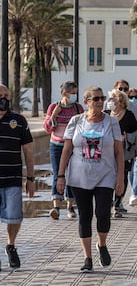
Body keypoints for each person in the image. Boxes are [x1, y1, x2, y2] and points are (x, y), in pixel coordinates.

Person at [57, 86, 124, 272]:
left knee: (103, 213)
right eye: (96, 99)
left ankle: (102, 244)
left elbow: (119, 152)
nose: (100, 101)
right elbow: (67, 150)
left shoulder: (111, 122)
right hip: (79, 177)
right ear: (86, 102)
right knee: (84, 216)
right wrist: (61, 175)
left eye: (102, 98)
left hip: (105, 175)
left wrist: (120, 179)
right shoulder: (76, 121)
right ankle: (87, 258)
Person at [0, 84, 35, 268]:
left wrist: (30, 179)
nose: (4, 98)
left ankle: (11, 246)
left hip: (13, 179)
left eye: (6, 95)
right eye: (0, 95)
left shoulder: (19, 121)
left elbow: (28, 151)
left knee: (14, 217)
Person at [43, 81, 84, 220]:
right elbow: (47, 128)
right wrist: (54, 115)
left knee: (71, 174)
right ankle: (56, 206)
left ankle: (70, 205)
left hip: (73, 146)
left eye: (75, 93)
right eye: (72, 93)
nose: (74, 95)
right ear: (64, 94)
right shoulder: (54, 107)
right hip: (57, 145)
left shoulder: (78, 109)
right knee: (58, 174)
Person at [105, 88, 137, 217]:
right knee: (109, 177)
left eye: (113, 98)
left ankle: (117, 204)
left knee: (122, 175)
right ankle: (108, 202)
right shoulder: (105, 115)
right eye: (109, 99)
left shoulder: (129, 115)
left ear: (120, 101)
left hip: (125, 151)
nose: (110, 101)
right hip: (107, 152)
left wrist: (128, 137)